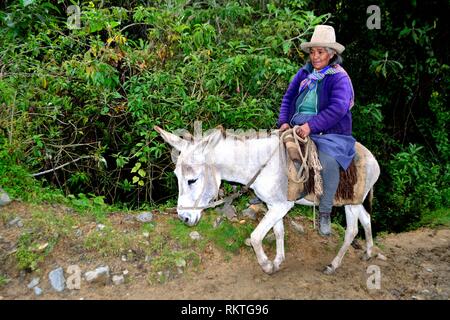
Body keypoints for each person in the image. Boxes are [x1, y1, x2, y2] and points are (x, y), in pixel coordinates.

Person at [278, 25, 355, 236]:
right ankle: (266, 194)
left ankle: (324, 211)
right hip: (297, 126)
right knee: (271, 149)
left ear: (332, 54)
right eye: (312, 52)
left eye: (320, 52)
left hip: (330, 133)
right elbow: (288, 97)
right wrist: (284, 121)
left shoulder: (339, 78)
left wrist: (311, 126)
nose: (315, 56)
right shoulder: (304, 73)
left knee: (328, 163)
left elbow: (338, 108)